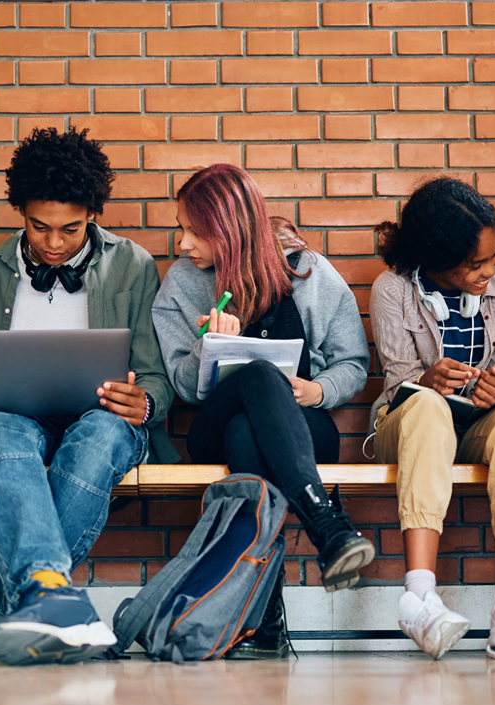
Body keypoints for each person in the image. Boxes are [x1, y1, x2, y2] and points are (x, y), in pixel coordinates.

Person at [0, 127, 176, 666]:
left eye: (70, 229)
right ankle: (52, 602)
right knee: (1, 428)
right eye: (38, 227)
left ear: (94, 214)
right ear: (19, 213)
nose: (53, 242)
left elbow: (156, 378)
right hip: (18, 420)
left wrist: (142, 404)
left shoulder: (133, 265)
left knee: (98, 433)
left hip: (104, 421)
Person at [151, 163, 374, 659]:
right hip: (212, 425)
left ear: (227, 229)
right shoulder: (182, 284)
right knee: (256, 375)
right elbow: (182, 387)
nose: (183, 243)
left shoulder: (306, 271)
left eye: (194, 230)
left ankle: (266, 616)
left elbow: (353, 363)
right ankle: (326, 523)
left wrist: (315, 392)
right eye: (182, 228)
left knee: (251, 436)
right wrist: (208, 347)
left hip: (300, 424)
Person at [371, 176, 495, 660]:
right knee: (428, 406)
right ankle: (418, 596)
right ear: (438, 260)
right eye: (475, 265)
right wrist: (429, 380)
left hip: (476, 422)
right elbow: (397, 387)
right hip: (409, 421)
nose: (490, 272)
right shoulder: (393, 290)